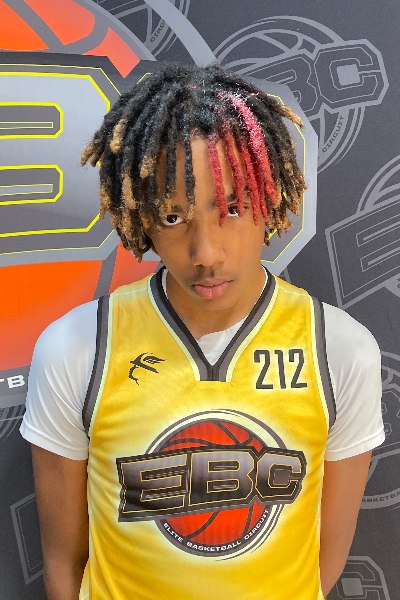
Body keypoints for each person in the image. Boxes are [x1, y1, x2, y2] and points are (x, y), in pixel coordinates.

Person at [21, 63, 384, 600]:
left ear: (270, 198)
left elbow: (322, 559)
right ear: (140, 217)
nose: (206, 254)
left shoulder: (341, 350)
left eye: (232, 208)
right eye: (173, 217)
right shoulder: (76, 349)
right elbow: (63, 562)